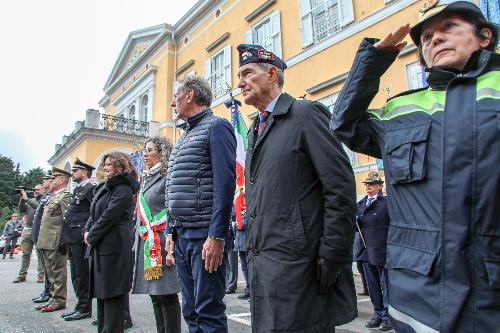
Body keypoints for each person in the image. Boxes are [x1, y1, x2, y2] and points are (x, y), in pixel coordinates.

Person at [330, 1, 499, 332]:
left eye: (449, 27)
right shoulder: (401, 110)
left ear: (484, 36)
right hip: (419, 297)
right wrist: (373, 61)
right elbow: (344, 125)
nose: (435, 39)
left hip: (490, 293)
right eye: (426, 37)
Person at [237, 44, 357, 332]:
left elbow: (339, 186)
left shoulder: (305, 114)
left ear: (272, 74)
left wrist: (333, 253)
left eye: (247, 73)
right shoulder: (256, 129)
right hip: (264, 268)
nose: (240, 82)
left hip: (300, 268)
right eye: (239, 75)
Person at [165, 75, 236, 333]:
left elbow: (225, 184)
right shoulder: (184, 136)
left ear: (190, 95)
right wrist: (170, 231)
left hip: (204, 235)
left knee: (208, 310)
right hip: (183, 235)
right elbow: (172, 188)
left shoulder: (217, 127)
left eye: (176, 96)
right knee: (191, 309)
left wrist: (216, 235)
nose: (173, 103)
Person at [84, 152, 139, 333]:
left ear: (121, 167)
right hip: (102, 246)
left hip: (114, 247)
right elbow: (94, 214)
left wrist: (91, 236)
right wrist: (88, 229)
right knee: (103, 295)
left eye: (110, 163)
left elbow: (109, 216)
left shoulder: (123, 188)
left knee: (113, 296)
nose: (105, 166)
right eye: (104, 163)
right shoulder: (104, 187)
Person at [131, 137, 181, 333]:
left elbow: (172, 208)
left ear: (161, 152)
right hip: (148, 244)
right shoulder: (147, 178)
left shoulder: (167, 176)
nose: (145, 154)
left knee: (166, 295)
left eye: (149, 150)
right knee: (155, 295)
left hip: (162, 242)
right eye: (144, 149)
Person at [60, 158, 96, 321]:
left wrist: (86, 231)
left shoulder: (90, 188)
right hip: (72, 237)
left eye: (75, 170)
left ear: (84, 172)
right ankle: (80, 306)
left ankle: (84, 308)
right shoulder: (78, 189)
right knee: (75, 274)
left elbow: (94, 212)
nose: (73, 173)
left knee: (81, 275)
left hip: (80, 238)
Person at [355, 172, 391, 331]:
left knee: (386, 286)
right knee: (373, 286)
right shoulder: (361, 204)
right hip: (366, 250)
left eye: (372, 183)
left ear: (379, 186)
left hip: (381, 250)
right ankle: (377, 314)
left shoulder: (386, 204)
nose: (368, 186)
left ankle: (388, 316)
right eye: (366, 184)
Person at [35, 168, 72, 313]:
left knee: (58, 272)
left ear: (62, 180)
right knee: (50, 272)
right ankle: (52, 297)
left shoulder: (65, 196)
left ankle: (59, 300)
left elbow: (66, 220)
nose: (51, 180)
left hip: (55, 240)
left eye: (55, 178)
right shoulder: (52, 197)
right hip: (45, 240)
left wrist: (64, 240)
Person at [13, 185, 45, 283]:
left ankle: (41, 275)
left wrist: (26, 199)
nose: (36, 191)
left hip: (39, 229)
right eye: (35, 189)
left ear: (43, 190)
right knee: (25, 254)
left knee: (40, 253)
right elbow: (21, 210)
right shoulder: (29, 200)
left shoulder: (44, 200)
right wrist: (22, 199)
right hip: (27, 228)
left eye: (38, 189)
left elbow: (39, 207)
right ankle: (22, 274)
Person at [31, 173, 54, 304]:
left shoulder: (52, 196)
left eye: (47, 179)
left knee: (49, 267)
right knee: (46, 267)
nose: (44, 181)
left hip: (45, 236)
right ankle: (47, 291)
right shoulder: (45, 196)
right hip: (39, 235)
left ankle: (50, 292)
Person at [232, 194, 249, 300]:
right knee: (244, 268)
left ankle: (253, 290)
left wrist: (237, 224)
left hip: (247, 243)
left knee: (249, 268)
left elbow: (244, 223)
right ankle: (248, 289)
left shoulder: (248, 209)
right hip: (240, 243)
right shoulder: (240, 210)